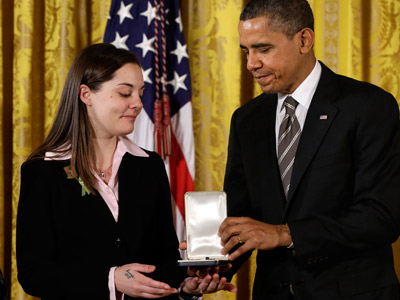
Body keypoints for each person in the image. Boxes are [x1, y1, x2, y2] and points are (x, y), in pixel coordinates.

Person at [16, 43, 235, 300]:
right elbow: (34, 274)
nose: (138, 104)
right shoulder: (42, 171)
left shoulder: (150, 165)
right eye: (124, 93)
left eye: (140, 93)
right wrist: (111, 280)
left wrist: (186, 285)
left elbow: (164, 258)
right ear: (85, 94)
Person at [218, 0, 400, 299]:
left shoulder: (368, 106)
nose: (251, 63)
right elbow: (240, 218)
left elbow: (382, 215)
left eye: (263, 49)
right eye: (246, 51)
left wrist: (284, 234)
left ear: (304, 40)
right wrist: (213, 268)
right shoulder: (246, 119)